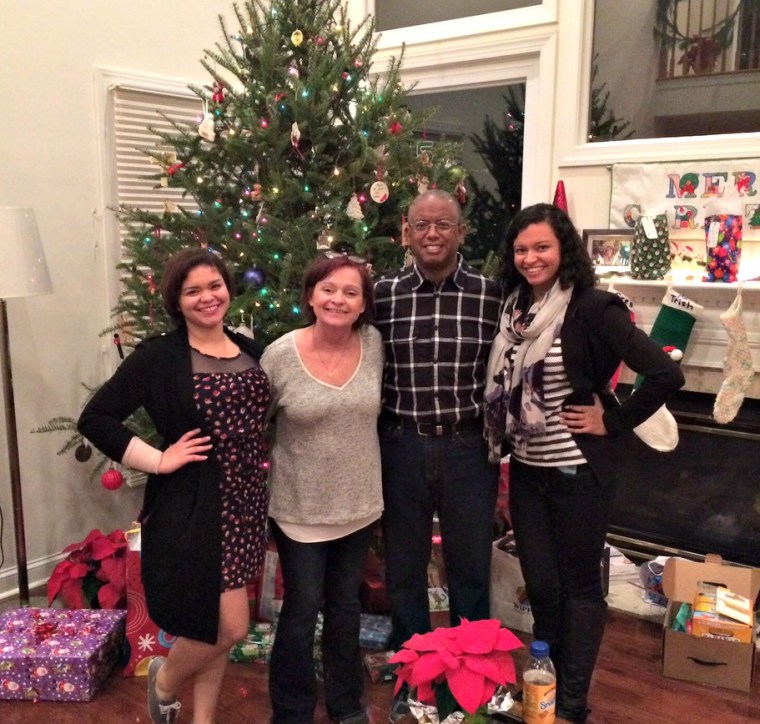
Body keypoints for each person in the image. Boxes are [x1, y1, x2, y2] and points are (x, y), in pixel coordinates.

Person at [484, 203, 684, 723]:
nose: (531, 258)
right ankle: (543, 692)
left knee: (578, 588)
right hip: (527, 471)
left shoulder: (594, 307)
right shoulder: (514, 312)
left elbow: (665, 373)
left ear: (564, 249)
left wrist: (610, 421)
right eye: (522, 249)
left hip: (578, 474)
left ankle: (571, 703)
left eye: (542, 247)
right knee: (543, 586)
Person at [78, 248, 269, 724]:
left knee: (212, 625)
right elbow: (96, 417)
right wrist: (159, 460)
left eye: (215, 285)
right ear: (176, 300)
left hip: (245, 502)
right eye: (193, 290)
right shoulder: (161, 356)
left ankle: (202, 719)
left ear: (228, 287)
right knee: (228, 627)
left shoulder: (250, 347)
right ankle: (164, 682)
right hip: (193, 505)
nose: (208, 297)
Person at [374, 189, 503, 722]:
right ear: (406, 231)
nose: (432, 234)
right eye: (422, 224)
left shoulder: (491, 296)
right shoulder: (380, 296)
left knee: (470, 564)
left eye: (443, 225)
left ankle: (474, 675)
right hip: (400, 444)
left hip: (468, 447)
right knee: (403, 566)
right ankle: (414, 673)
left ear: (461, 231)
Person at [260, 253, 384, 724]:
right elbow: (255, 425)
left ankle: (346, 704)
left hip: (359, 505)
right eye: (328, 289)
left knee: (346, 608)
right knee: (300, 612)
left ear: (362, 304)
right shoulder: (280, 355)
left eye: (351, 292)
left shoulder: (374, 344)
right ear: (311, 296)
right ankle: (291, 712)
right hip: (300, 510)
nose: (338, 299)